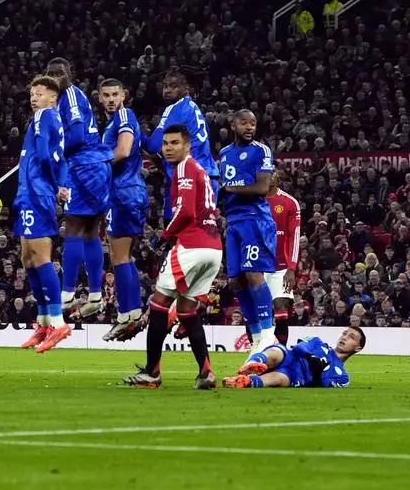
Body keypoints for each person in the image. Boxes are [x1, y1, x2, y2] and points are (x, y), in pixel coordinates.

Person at [123, 126, 220, 390]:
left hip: (191, 244)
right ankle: (206, 373)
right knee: (188, 311)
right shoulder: (200, 169)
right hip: (213, 249)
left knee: (159, 303)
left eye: (175, 143)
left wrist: (166, 235)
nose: (168, 148)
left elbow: (186, 211)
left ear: (187, 146)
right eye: (165, 143)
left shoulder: (185, 168)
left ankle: (152, 372)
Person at [46, 58, 112, 317]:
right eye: (51, 73)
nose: (56, 77)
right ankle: (95, 294)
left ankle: (67, 293)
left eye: (60, 73)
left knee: (72, 226)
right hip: (95, 165)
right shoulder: (63, 97)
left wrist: (54, 151)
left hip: (84, 166)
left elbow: (76, 135)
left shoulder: (70, 96)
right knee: (90, 232)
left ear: (69, 73)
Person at [15, 75, 73, 354]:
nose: (34, 97)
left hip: (36, 192)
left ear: (53, 98)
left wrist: (51, 187)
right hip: (31, 193)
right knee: (28, 257)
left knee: (40, 257)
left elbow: (43, 156)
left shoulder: (44, 116)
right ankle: (43, 321)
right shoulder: (51, 121)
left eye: (40, 93)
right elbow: (58, 159)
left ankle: (58, 323)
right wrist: (60, 186)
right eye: (32, 93)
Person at [218, 109, 278, 352]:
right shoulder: (223, 154)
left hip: (254, 219)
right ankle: (255, 336)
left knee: (254, 274)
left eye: (253, 123)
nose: (249, 127)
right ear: (234, 125)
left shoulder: (261, 151)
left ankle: (268, 333)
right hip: (233, 222)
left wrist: (229, 189)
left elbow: (262, 186)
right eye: (244, 123)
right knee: (235, 280)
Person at [98, 78, 149, 340]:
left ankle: (129, 314)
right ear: (99, 98)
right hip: (125, 192)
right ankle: (129, 313)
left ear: (124, 95)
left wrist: (94, 162)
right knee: (122, 257)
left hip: (124, 192)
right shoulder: (112, 123)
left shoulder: (124, 115)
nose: (110, 99)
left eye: (115, 94)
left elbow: (125, 150)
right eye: (106, 95)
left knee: (119, 257)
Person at [144, 71, 218, 223]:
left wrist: (133, 131)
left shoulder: (176, 108)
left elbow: (153, 146)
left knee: (178, 234)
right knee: (203, 235)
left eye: (173, 86)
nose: (168, 90)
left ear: (185, 89)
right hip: (208, 177)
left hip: (189, 180)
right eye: (165, 86)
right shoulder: (194, 109)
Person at [223, 329, 365, 388]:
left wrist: (317, 373)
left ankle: (244, 382)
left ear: (358, 348)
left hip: (296, 376)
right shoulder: (318, 342)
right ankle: (254, 363)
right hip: (290, 358)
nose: (344, 337)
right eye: (344, 333)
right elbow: (298, 348)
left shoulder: (343, 377)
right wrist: (310, 357)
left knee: (278, 379)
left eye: (351, 337)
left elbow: (324, 385)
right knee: (276, 352)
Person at [266, 169, 301, 345]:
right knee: (257, 311)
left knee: (280, 305)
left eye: (273, 173)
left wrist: (291, 268)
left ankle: (281, 351)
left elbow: (294, 236)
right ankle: (255, 350)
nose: (271, 176)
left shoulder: (289, 202)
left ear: (278, 177)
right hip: (257, 265)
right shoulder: (254, 200)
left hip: (280, 267)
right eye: (267, 173)